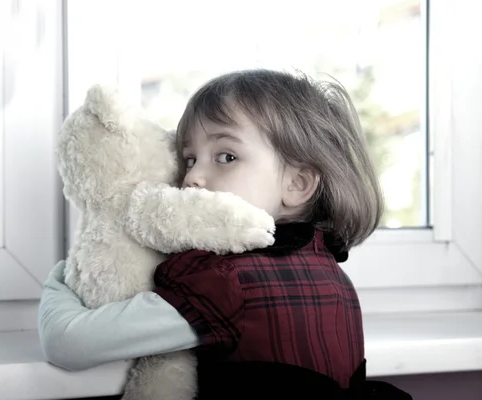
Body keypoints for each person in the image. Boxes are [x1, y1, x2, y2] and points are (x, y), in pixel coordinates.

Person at [39, 69, 412, 399]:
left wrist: (61, 280)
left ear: (297, 183)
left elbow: (69, 343)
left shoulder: (223, 281)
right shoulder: (332, 274)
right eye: (189, 158)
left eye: (226, 156)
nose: (192, 178)